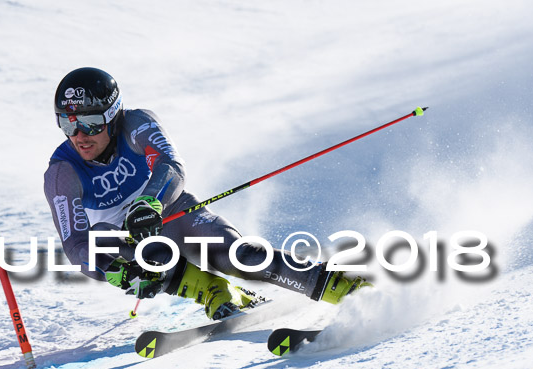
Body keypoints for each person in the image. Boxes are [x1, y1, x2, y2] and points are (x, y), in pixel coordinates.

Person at [44, 67, 369, 320]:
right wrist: (110, 272)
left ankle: (339, 286)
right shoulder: (63, 171)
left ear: (114, 116)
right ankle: (214, 292)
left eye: (89, 123)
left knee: (237, 256)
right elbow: (75, 244)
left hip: (171, 212)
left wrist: (150, 201)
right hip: (128, 240)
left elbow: (171, 166)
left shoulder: (135, 124)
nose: (80, 136)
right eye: (68, 124)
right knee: (127, 254)